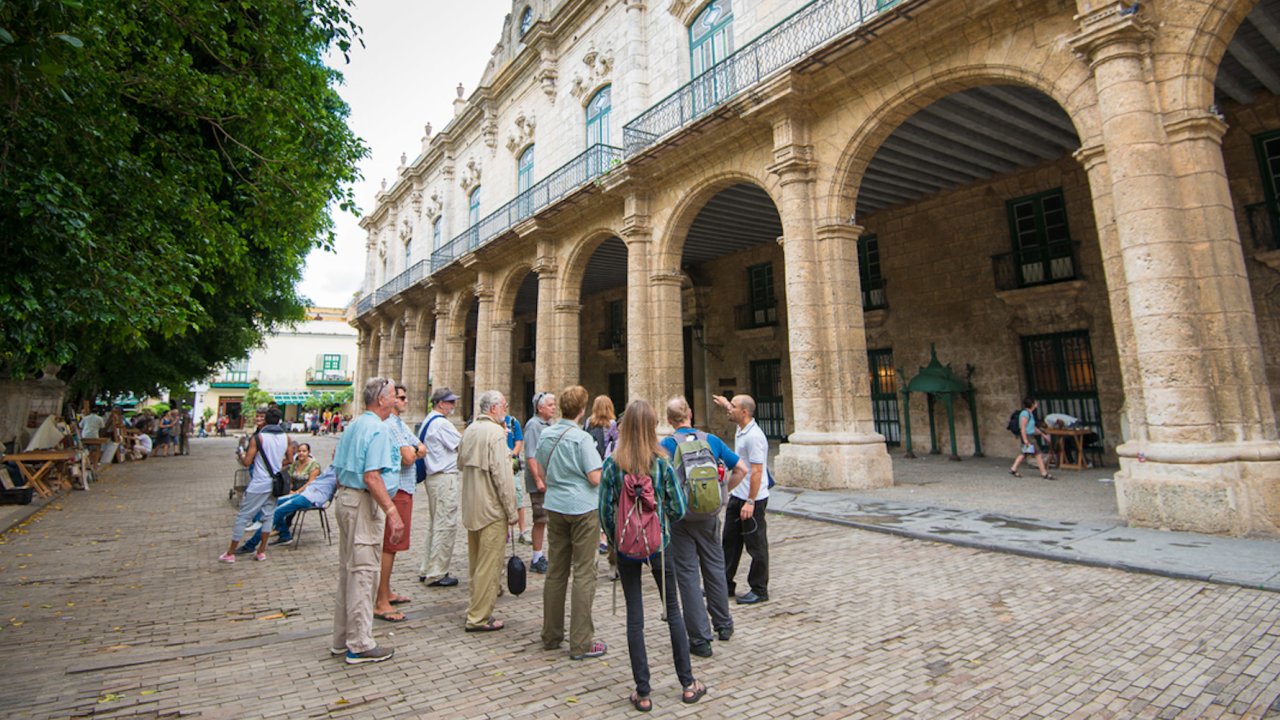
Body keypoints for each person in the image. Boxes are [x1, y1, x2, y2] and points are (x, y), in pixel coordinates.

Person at [599, 399, 705, 711]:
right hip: (660, 545)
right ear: (650, 428)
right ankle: (687, 684)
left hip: (627, 547)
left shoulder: (612, 465)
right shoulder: (661, 463)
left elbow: (604, 511)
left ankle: (643, 692)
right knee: (672, 611)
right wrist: (660, 521)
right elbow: (679, 508)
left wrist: (618, 540)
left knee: (635, 617)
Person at [662, 396, 747, 657]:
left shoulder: (665, 444)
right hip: (709, 514)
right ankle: (723, 624)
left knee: (687, 575)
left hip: (680, 518)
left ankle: (700, 640)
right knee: (714, 567)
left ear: (668, 420)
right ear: (691, 413)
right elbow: (742, 469)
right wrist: (722, 494)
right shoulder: (711, 440)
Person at [329, 377, 404, 664]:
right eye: (393, 395)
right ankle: (359, 644)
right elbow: (372, 476)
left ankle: (341, 638)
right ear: (381, 400)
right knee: (363, 572)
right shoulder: (378, 429)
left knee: (348, 571)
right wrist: (392, 512)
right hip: (362, 502)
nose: (396, 399)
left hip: (346, 498)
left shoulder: (355, 425)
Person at [536, 385, 607, 661]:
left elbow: (541, 471)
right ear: (582, 410)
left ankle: (551, 635)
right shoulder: (582, 438)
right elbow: (594, 477)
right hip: (583, 509)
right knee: (584, 573)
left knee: (556, 571)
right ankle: (581, 643)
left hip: (555, 506)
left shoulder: (547, 434)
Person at [459, 390, 519, 632]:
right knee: (489, 565)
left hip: (472, 506)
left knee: (476, 563)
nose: (506, 408)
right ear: (493, 409)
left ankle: (475, 606)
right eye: (504, 405)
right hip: (492, 508)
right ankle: (479, 618)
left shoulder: (470, 429)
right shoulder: (495, 434)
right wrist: (512, 510)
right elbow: (503, 478)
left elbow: (460, 462)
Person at [711, 393, 771, 605]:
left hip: (751, 498)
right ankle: (725, 584)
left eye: (733, 407)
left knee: (756, 545)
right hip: (737, 496)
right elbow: (735, 408)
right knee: (730, 542)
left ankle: (759, 588)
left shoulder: (754, 437)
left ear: (744, 412)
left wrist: (751, 502)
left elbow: (756, 471)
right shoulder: (742, 426)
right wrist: (725, 403)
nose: (729, 410)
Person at [373, 384, 422, 622]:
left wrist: (415, 449)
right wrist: (414, 450)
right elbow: (410, 456)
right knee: (389, 545)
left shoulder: (399, 424)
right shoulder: (390, 425)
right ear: (387, 400)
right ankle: (380, 600)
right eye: (400, 397)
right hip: (397, 488)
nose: (405, 400)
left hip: (404, 487)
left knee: (392, 546)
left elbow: (421, 448)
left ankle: (386, 591)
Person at [220, 406, 291, 563]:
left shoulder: (258, 438)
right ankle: (261, 551)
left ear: (265, 420)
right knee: (268, 517)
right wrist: (277, 464)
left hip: (259, 483)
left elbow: (247, 462)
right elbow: (290, 460)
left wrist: (241, 454)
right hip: (274, 484)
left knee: (243, 516)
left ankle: (230, 553)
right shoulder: (286, 437)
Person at [241, 443, 338, 551]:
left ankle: (251, 544)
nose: (333, 454)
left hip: (312, 498)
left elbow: (317, 483)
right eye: (333, 451)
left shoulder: (339, 470)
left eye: (336, 452)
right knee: (270, 504)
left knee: (276, 512)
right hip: (305, 494)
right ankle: (284, 534)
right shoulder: (332, 467)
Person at [417, 387, 462, 587]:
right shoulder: (442, 424)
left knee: (434, 523)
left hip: (432, 478)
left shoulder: (428, 420)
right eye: (450, 402)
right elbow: (463, 445)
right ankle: (437, 572)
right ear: (440, 403)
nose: (453, 405)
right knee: (446, 524)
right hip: (444, 477)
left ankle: (427, 567)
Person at [523, 391, 557, 573]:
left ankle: (547, 554)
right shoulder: (533, 426)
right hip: (540, 481)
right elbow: (530, 456)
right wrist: (538, 479)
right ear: (540, 407)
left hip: (548, 478)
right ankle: (537, 557)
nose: (554, 408)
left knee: (547, 518)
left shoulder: (546, 424)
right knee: (540, 518)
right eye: (550, 405)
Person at [502, 409, 531, 545]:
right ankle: (504, 531)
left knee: (518, 497)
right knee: (501, 499)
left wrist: (511, 456)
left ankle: (522, 531)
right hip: (498, 466)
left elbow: (519, 442)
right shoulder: (493, 424)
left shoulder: (513, 422)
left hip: (512, 467)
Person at [1010, 396, 1054, 480]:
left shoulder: (1030, 413)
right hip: (1028, 437)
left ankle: (1013, 469)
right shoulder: (1025, 414)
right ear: (1032, 404)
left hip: (1029, 436)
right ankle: (1044, 473)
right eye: (1035, 402)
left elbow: (1033, 427)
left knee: (1023, 454)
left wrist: (1043, 435)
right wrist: (1025, 440)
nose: (1037, 403)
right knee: (1038, 454)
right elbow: (1023, 428)